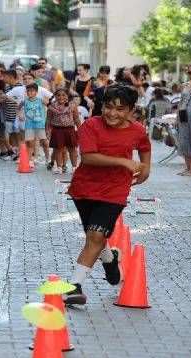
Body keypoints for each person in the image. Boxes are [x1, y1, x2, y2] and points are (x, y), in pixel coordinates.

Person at [63, 84, 151, 305]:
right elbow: (90, 157)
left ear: (131, 110)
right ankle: (110, 261)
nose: (113, 113)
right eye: (109, 107)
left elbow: (144, 146)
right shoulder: (91, 125)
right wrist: (124, 161)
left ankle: (73, 287)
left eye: (120, 109)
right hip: (84, 189)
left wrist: (146, 167)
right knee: (95, 235)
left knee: (95, 235)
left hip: (115, 190)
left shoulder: (138, 129)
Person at [47, 89, 81, 174]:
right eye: (58, 95)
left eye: (63, 95)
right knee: (58, 149)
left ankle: (74, 168)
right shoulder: (51, 107)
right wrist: (47, 130)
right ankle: (59, 168)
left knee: (72, 149)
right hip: (57, 130)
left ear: (67, 97)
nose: (61, 97)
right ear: (55, 96)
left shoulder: (72, 106)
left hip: (70, 130)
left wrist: (80, 129)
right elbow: (48, 120)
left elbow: (76, 119)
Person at [18, 83, 51, 168]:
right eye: (28, 91)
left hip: (41, 124)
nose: (29, 92)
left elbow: (50, 106)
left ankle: (48, 159)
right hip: (29, 124)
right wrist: (20, 115)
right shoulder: (24, 101)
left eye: (31, 91)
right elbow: (17, 109)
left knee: (44, 141)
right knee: (29, 142)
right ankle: (30, 160)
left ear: (36, 92)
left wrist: (49, 120)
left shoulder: (40, 100)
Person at [2, 70, 21, 159]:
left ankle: (21, 153)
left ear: (11, 77)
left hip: (18, 116)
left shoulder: (21, 87)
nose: (3, 79)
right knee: (12, 134)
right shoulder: (7, 88)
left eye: (4, 77)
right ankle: (15, 152)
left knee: (19, 135)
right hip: (9, 115)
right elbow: (5, 101)